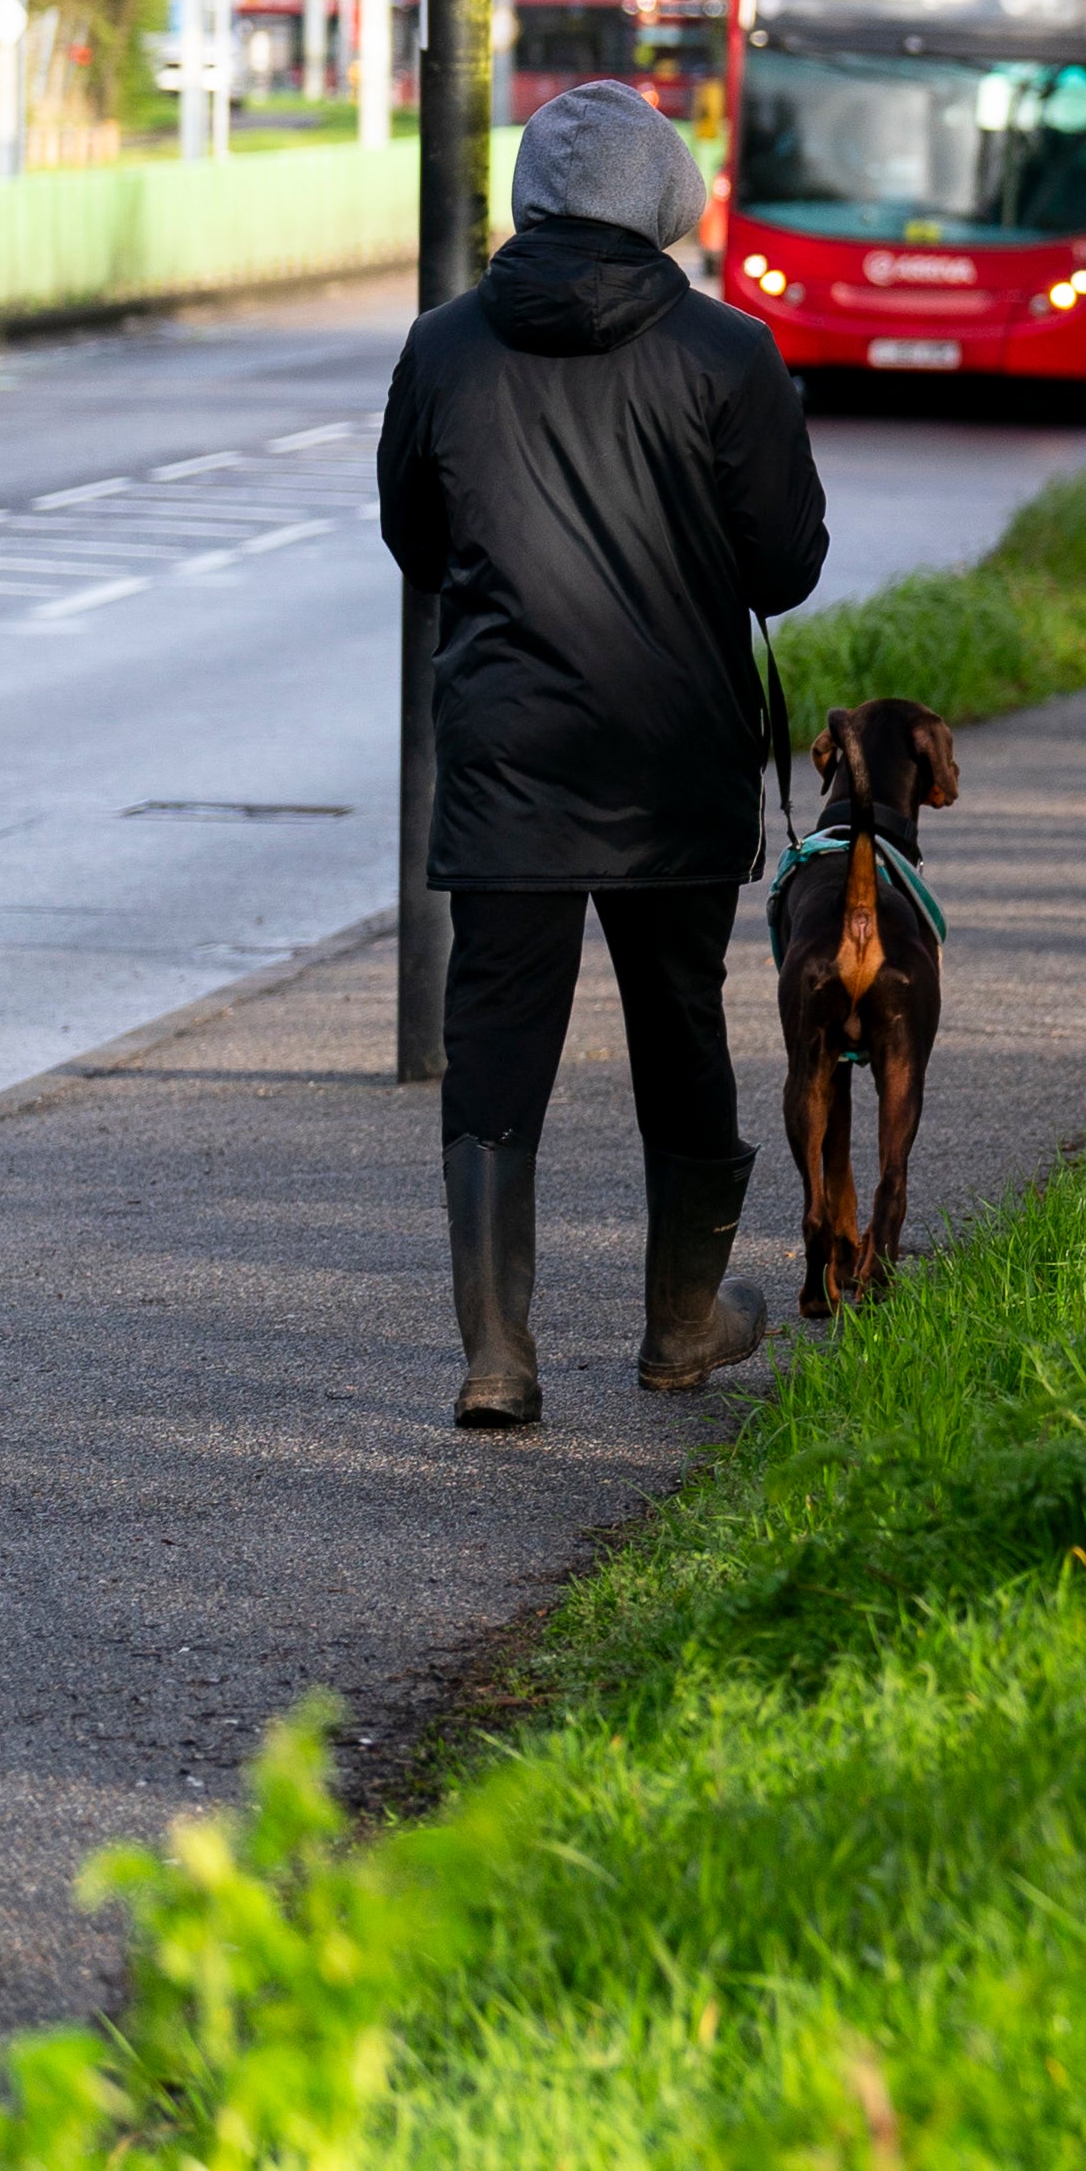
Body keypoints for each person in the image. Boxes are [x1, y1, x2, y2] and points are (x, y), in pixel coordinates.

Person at [373, 81, 828, 1430]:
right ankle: (683, 1326)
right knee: (677, 1024)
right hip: (674, 755)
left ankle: (498, 1358)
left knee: (496, 1035)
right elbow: (787, 567)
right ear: (666, 200)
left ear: (529, 193)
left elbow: (416, 543)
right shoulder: (728, 355)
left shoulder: (443, 348)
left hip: (507, 750)